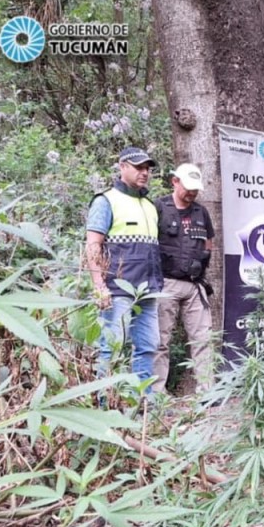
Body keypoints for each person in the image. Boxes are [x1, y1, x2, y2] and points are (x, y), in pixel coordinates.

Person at [85, 146, 163, 395]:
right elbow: (93, 245)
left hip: (147, 289)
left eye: (147, 168)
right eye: (138, 167)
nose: (144, 173)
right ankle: (104, 404)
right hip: (117, 288)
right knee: (110, 346)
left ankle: (143, 404)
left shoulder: (150, 206)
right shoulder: (105, 201)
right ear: (122, 167)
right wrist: (99, 286)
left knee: (148, 346)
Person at [153, 163, 216, 393]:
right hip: (165, 283)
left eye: (195, 189)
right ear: (175, 181)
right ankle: (157, 393)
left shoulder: (201, 212)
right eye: (187, 187)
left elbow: (209, 241)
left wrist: (203, 262)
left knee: (203, 339)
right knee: (160, 340)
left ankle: (207, 390)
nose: (191, 193)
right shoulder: (158, 207)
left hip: (194, 285)